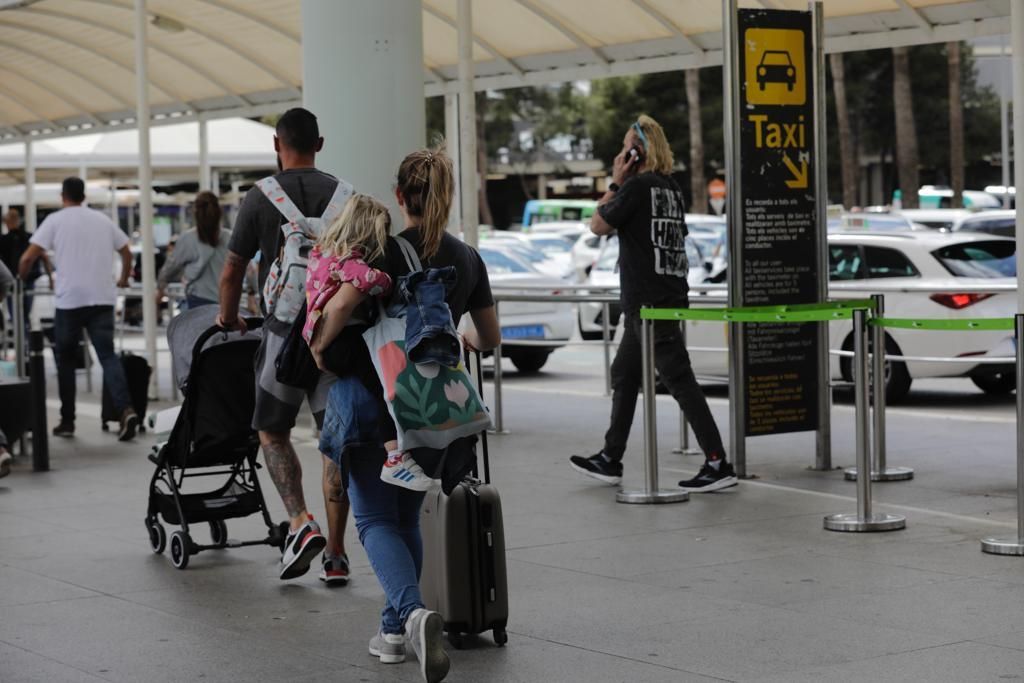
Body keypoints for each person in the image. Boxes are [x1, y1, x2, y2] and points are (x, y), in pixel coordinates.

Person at [316, 145, 500, 682]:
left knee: (373, 519)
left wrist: (320, 342)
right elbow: (487, 337)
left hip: (370, 406)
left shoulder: (381, 249)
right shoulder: (468, 259)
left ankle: (415, 617)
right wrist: (455, 337)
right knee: (404, 519)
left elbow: (345, 304)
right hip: (429, 415)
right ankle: (392, 632)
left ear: (400, 196)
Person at [217, 108, 351, 584]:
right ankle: (336, 554)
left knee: (272, 430)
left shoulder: (260, 197)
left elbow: (232, 269)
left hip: (281, 334)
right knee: (333, 442)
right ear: (320, 142)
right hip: (333, 336)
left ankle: (299, 521)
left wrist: (228, 317)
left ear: (278, 144)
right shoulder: (346, 197)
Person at [569, 116, 738, 493]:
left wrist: (615, 180)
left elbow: (597, 225)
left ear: (635, 153)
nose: (621, 153)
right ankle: (611, 458)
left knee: (679, 380)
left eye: (626, 146)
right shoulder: (670, 188)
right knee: (625, 375)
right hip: (657, 301)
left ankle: (717, 462)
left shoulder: (636, 186)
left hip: (648, 303)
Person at [305, 194, 435, 492]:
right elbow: (348, 300)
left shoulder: (320, 253)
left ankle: (395, 455)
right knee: (384, 388)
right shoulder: (348, 261)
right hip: (342, 339)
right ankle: (395, 457)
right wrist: (387, 281)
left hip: (329, 339)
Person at [19, 177, 139, 442]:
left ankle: (68, 420)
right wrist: (123, 279)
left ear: (63, 195)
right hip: (101, 298)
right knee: (108, 356)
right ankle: (125, 410)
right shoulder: (102, 220)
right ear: (83, 195)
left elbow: (28, 257)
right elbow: (127, 252)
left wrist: (20, 280)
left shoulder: (54, 221)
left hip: (69, 301)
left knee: (66, 361)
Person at [157, 192, 231, 309]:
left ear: (194, 213)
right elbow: (249, 271)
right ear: (219, 212)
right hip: (228, 301)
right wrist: (251, 293)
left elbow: (170, 268)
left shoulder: (187, 239)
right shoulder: (230, 238)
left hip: (198, 302)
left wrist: (160, 287)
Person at [0, 208, 53, 328]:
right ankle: (26, 341)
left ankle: (23, 342)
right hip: (28, 280)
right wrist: (51, 279)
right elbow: (44, 257)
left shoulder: (3, 240)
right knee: (24, 316)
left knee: (16, 317)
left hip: (12, 283)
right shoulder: (30, 238)